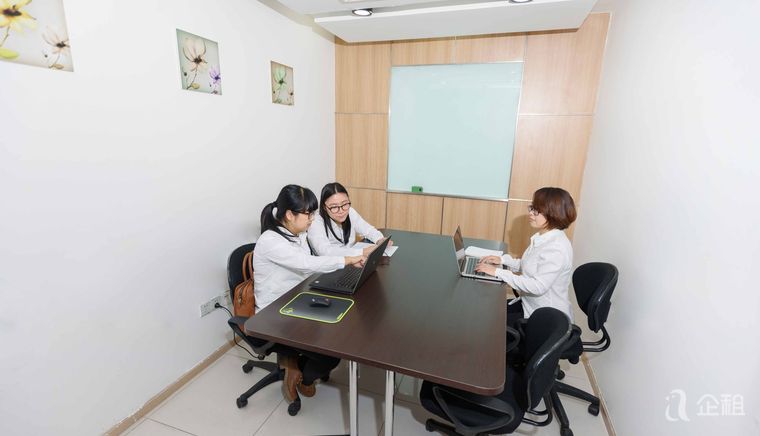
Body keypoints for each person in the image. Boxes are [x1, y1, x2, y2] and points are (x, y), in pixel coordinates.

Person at [253, 184, 366, 403]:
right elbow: (306, 263)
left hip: (297, 298)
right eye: (309, 214)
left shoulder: (298, 233)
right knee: (331, 352)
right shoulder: (271, 241)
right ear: (289, 214)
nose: (312, 219)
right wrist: (348, 260)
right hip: (275, 312)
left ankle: (296, 364)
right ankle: (300, 374)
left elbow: (310, 266)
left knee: (341, 322)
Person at [475, 187, 577, 322]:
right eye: (532, 208)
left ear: (553, 213)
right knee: (485, 309)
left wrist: (498, 272)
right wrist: (503, 260)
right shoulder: (544, 237)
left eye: (537, 210)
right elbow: (530, 265)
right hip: (529, 305)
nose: (531, 213)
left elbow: (537, 286)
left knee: (485, 320)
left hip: (545, 318)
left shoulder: (556, 248)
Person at [308, 182, 391, 256]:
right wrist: (361, 252)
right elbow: (325, 251)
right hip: (331, 265)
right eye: (334, 207)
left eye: (344, 204)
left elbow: (367, 229)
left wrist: (379, 239)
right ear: (324, 207)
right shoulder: (315, 221)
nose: (341, 211)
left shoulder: (350, 211)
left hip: (352, 261)